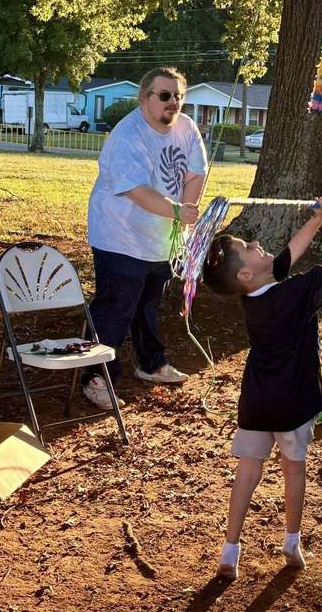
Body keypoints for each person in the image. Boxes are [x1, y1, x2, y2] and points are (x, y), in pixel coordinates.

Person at [203, 196, 322, 579]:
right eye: (249, 248)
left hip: (257, 401)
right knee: (293, 470)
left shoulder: (256, 296)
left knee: (247, 474)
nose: (257, 245)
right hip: (294, 402)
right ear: (247, 275)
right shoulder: (293, 295)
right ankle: (292, 542)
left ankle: (230, 550)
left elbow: (285, 257)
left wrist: (314, 219)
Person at [83, 67, 207, 410]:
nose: (174, 102)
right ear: (145, 98)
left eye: (179, 96)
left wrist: (188, 208)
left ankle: (151, 363)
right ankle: (96, 377)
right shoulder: (128, 134)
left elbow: (196, 173)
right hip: (119, 234)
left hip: (160, 237)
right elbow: (136, 191)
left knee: (147, 303)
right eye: (165, 95)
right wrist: (178, 211)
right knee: (116, 306)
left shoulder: (187, 128)